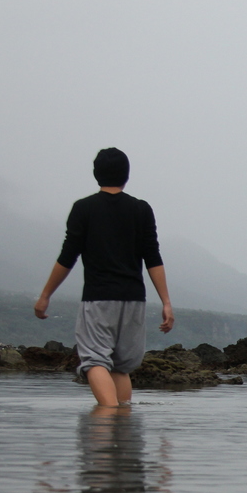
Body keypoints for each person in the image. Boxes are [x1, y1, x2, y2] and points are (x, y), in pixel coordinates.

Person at [34, 147, 174, 407]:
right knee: (121, 367)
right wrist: (165, 302)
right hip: (134, 300)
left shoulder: (84, 209)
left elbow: (68, 257)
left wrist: (45, 296)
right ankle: (122, 429)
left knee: (95, 361)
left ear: (96, 174)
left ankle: (106, 420)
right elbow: (152, 258)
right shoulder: (142, 210)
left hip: (99, 299)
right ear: (126, 175)